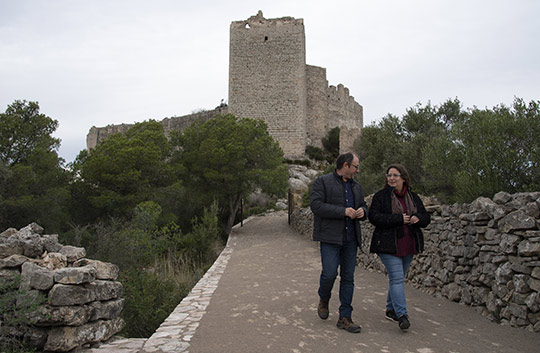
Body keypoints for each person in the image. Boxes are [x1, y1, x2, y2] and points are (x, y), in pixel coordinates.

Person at [368, 164, 431, 331]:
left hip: (409, 243)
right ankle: (402, 315)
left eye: (395, 175)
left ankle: (390, 309)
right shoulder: (381, 197)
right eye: (389, 175)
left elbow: (426, 217)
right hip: (388, 246)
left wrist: (418, 217)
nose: (391, 178)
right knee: (397, 279)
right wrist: (398, 219)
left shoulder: (413, 197)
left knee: (398, 279)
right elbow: (373, 217)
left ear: (403, 177)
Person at [310, 152, 368, 333]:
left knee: (348, 278)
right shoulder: (323, 182)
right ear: (345, 165)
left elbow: (364, 206)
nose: (357, 170)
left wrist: (362, 212)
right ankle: (324, 298)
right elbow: (316, 206)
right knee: (329, 274)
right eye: (356, 167)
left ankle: (345, 317)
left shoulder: (356, 187)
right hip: (330, 238)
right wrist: (343, 211)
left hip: (351, 240)